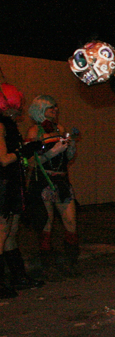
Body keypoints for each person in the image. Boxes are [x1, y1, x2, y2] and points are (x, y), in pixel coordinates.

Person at [25, 95, 80, 275]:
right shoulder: (34, 132)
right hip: (44, 181)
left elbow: (68, 158)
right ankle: (47, 264)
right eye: (51, 108)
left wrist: (70, 147)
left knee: (70, 221)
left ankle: (71, 263)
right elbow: (30, 161)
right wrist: (53, 151)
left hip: (62, 181)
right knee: (46, 224)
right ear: (40, 110)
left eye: (56, 107)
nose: (55, 111)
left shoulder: (60, 128)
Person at [0, 83, 44, 298]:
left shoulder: (9, 124)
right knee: (2, 232)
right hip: (3, 184)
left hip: (12, 183)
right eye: (17, 105)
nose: (19, 110)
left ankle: (18, 277)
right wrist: (23, 150)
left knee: (11, 232)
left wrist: (27, 150)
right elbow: (4, 159)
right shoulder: (0, 125)